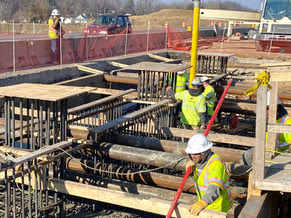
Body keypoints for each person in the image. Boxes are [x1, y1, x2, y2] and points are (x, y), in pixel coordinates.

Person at [185, 134, 233, 215]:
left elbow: (214, 188)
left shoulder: (216, 163)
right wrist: (191, 174)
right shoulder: (199, 162)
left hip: (219, 209)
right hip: (206, 206)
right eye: (191, 153)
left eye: (196, 153)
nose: (193, 156)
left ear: (204, 152)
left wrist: (202, 203)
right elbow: (201, 183)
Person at [240, 92, 290, 166]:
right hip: (265, 151)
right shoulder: (264, 120)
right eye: (263, 108)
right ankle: (244, 174)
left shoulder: (287, 121)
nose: (265, 111)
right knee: (247, 156)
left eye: (267, 108)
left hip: (280, 154)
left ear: (276, 107)